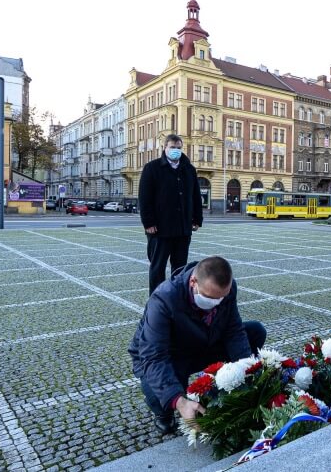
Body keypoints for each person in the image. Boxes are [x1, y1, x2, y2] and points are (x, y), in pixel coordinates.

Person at [128, 256, 267, 435]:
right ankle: (163, 414)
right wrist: (179, 401)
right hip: (171, 354)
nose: (217, 303)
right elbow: (154, 356)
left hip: (203, 342)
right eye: (210, 298)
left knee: (255, 331)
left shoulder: (227, 289)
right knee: (163, 396)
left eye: (221, 298)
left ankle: (223, 385)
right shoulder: (164, 299)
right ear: (193, 282)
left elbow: (233, 330)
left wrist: (248, 369)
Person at [139, 133, 203, 295]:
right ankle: (157, 299)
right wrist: (148, 223)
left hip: (183, 228)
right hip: (160, 229)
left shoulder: (189, 169)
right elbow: (144, 198)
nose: (176, 150)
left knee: (180, 268)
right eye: (173, 147)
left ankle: (177, 298)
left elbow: (196, 196)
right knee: (157, 267)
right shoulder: (152, 168)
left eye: (179, 148)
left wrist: (197, 219)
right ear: (165, 148)